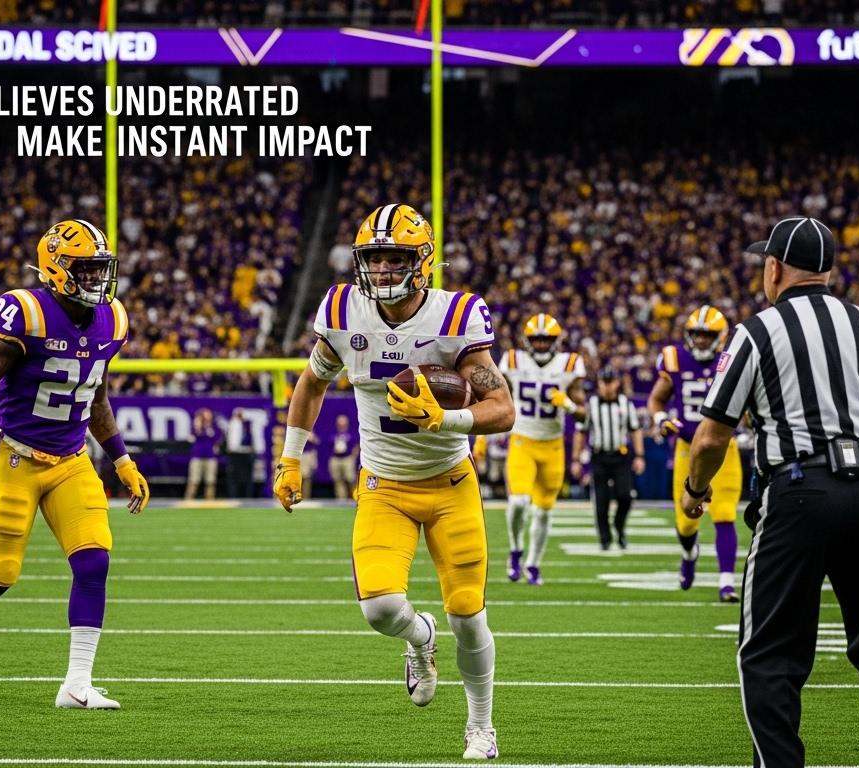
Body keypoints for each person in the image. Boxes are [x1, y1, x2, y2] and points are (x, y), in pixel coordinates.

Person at [683, 218, 859, 768]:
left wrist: (694, 489)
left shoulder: (757, 329)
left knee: (770, 653)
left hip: (798, 491)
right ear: (828, 271)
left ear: (774, 268)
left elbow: (711, 435)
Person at [273, 204, 514, 759]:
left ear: (422, 262)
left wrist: (446, 417)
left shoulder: (457, 317)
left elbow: (502, 409)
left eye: (394, 258)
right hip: (384, 484)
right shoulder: (341, 309)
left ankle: (481, 726)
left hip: (451, 483)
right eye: (373, 258)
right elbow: (311, 385)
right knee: (380, 609)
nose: (381, 270)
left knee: (469, 614)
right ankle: (419, 638)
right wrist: (291, 459)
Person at [0, 218, 149, 710]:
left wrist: (122, 459)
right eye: (85, 270)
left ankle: (76, 683)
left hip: (72, 460)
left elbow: (96, 398)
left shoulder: (113, 318)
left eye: (99, 270)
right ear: (55, 269)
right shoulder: (26, 313)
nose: (96, 280)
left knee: (94, 561)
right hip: (15, 457)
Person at [646, 305, 744, 602]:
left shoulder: (733, 360)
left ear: (720, 336)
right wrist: (660, 420)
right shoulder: (674, 359)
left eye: (707, 335)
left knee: (725, 514)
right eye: (697, 334)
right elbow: (656, 401)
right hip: (687, 449)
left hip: (725, 447)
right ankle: (689, 553)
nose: (701, 340)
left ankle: (726, 582)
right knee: (686, 521)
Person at [497, 314, 586, 585]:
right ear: (527, 340)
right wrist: (483, 438)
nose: (542, 344)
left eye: (546, 339)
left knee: (544, 511)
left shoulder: (569, 365)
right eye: (537, 339)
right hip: (522, 440)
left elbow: (583, 415)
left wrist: (569, 405)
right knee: (518, 502)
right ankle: (515, 550)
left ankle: (534, 564)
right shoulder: (513, 361)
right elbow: (494, 397)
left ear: (556, 341)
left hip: (553, 446)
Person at [569, 367, 645, 550]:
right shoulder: (591, 404)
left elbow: (635, 430)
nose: (608, 386)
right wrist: (576, 459)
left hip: (621, 457)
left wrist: (640, 456)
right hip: (599, 457)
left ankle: (619, 527)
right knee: (601, 501)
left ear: (617, 383)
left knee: (625, 497)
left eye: (611, 382)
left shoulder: (626, 404)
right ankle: (605, 538)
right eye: (605, 382)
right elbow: (581, 432)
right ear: (599, 384)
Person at [184, 408, 219, 501]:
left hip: (210, 456)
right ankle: (189, 499)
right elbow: (191, 438)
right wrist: (198, 427)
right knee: (194, 479)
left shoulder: (214, 426)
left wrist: (208, 428)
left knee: (210, 480)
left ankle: (210, 499)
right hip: (197, 456)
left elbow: (217, 438)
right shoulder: (196, 426)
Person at [222, 409, 256, 498]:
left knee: (246, 478)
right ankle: (233, 497)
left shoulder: (247, 424)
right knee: (234, 478)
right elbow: (232, 443)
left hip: (246, 453)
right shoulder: (233, 423)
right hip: (235, 454)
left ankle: (247, 497)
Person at [327, 414, 359, 500]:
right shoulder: (333, 433)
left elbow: (357, 444)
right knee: (338, 480)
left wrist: (353, 456)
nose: (341, 424)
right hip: (336, 458)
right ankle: (341, 499)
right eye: (340, 422)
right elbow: (328, 445)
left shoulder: (351, 433)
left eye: (343, 422)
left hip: (347, 458)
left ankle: (353, 497)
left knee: (350, 479)